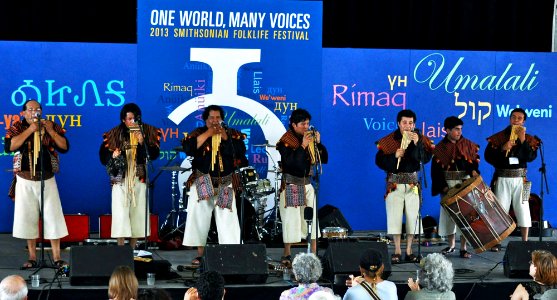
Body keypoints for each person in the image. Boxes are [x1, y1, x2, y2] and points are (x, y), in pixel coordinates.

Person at [4, 99, 69, 269]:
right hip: (25, 179)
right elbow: (9, 146)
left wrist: (49, 130)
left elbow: (64, 147)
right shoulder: (17, 127)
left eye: (38, 109)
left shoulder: (50, 125)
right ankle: (32, 257)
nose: (35, 112)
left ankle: (56, 257)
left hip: (47, 178)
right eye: (31, 109)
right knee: (28, 218)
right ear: (24, 113)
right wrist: (31, 130)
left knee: (53, 217)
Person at [181, 105, 247, 265]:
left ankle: (230, 254)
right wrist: (209, 134)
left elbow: (240, 151)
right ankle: (200, 255)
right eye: (211, 118)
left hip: (225, 183)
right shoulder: (197, 134)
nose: (215, 121)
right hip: (203, 180)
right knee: (199, 218)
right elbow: (189, 149)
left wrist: (224, 136)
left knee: (228, 219)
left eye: (218, 118)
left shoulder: (232, 135)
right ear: (205, 119)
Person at [375, 109, 433, 263]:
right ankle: (397, 250)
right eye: (405, 123)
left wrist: (416, 144)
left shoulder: (420, 139)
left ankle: (409, 250)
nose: (408, 126)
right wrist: (394, 156)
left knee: (412, 218)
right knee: (394, 218)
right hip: (394, 183)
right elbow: (379, 161)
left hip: (412, 184)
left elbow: (425, 159)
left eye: (411, 123)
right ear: (398, 124)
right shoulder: (388, 141)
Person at [100, 103, 161, 248]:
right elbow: (103, 158)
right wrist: (113, 156)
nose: (132, 122)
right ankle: (121, 248)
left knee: (138, 213)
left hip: (138, 177)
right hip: (120, 179)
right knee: (120, 214)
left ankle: (133, 249)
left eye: (135, 119)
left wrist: (142, 141)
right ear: (123, 120)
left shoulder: (149, 131)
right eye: (129, 119)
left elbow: (154, 155)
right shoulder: (113, 134)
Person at [276, 109, 328, 264]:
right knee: (290, 220)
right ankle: (287, 253)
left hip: (307, 183)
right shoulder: (286, 141)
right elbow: (292, 163)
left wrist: (318, 144)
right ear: (294, 125)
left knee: (311, 218)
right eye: (303, 124)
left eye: (308, 123)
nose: (307, 127)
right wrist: (303, 146)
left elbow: (323, 159)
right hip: (292, 184)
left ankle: (313, 252)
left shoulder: (310, 138)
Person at [485, 108, 539, 250]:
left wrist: (523, 141)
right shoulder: (498, 137)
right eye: (513, 117)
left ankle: (525, 241)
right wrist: (503, 148)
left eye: (519, 118)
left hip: (520, 179)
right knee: (500, 210)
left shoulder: (529, 139)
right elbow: (488, 157)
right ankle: (497, 241)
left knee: (523, 209)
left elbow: (531, 157)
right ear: (510, 119)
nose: (516, 120)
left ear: (524, 121)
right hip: (503, 178)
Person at [431, 116, 480, 259]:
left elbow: (473, 165)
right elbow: (436, 171)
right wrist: (444, 188)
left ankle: (463, 247)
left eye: (461, 129)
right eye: (456, 129)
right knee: (449, 216)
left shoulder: (468, 145)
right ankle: (451, 245)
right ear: (447, 130)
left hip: (464, 184)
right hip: (447, 185)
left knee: (465, 215)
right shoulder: (439, 149)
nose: (459, 132)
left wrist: (473, 171)